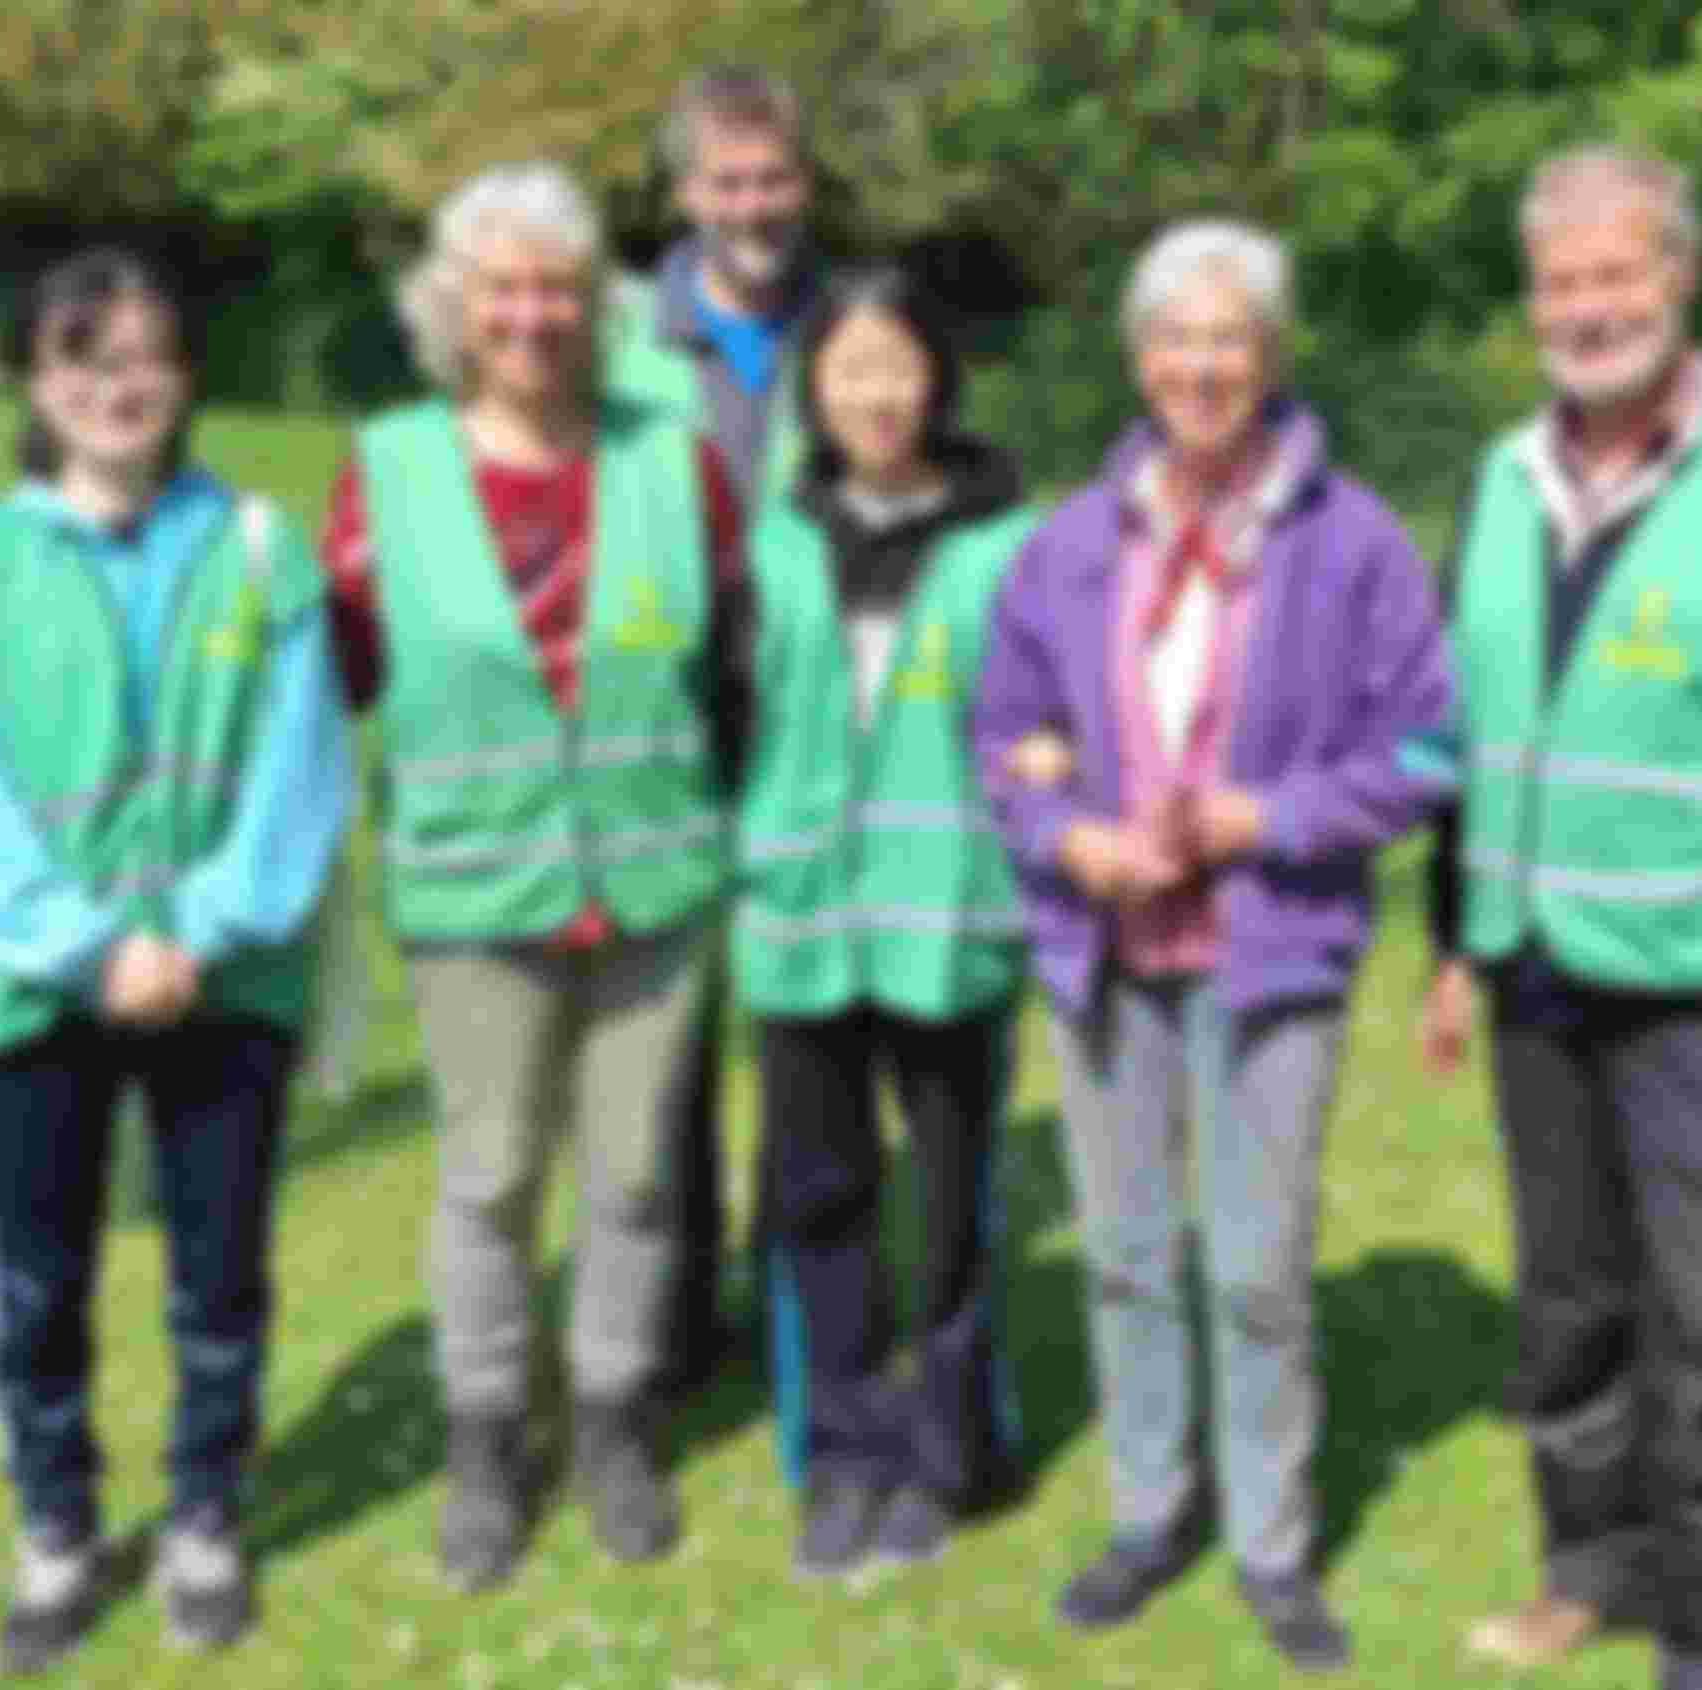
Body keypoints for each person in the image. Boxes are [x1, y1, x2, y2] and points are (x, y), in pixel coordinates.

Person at [1416, 143, 1702, 1690]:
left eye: (1617, 273)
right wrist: (1451, 937)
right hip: (1535, 970)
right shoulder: (1500, 480)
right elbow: (1469, 727)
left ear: (1678, 278)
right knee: (1567, 1304)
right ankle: (1589, 1569)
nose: (1588, 307)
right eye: (1559, 281)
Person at [971, 219, 1456, 1674]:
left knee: (1256, 1266)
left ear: (1272, 355)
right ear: (1138, 362)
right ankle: (1148, 1512)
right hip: (1105, 953)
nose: (1201, 366)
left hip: (1271, 951)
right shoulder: (1070, 541)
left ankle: (1270, 1542)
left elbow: (1428, 748)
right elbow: (1000, 733)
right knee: (1127, 1258)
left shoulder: (1355, 542)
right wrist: (1069, 839)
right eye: (1175, 339)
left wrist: (1265, 817)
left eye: (1228, 337)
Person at [0, 246, 352, 1671]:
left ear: (188, 375)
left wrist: (203, 930)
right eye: (84, 357)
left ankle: (204, 1516)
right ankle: (57, 1528)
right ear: (33, 381)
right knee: (39, 1286)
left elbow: (302, 772)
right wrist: (91, 949)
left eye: (148, 354)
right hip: (36, 991)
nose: (120, 384)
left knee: (219, 1277)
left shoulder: (261, 552)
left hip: (230, 978)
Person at [317, 160, 755, 1594]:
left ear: (596, 305)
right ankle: (487, 1440)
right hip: (476, 892)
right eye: (500, 288)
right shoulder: (386, 471)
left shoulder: (674, 461)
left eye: (558, 287)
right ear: (453, 307)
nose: (531, 314)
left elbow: (736, 656)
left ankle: (618, 1420)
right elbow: (331, 673)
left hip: (651, 883)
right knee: (493, 1177)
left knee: (636, 1177)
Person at [731, 266, 1039, 1577]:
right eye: (848, 367)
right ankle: (846, 1452)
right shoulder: (768, 542)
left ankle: (953, 1453)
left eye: (898, 365)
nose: (875, 394)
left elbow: (1056, 711)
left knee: (956, 1204)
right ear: (813, 386)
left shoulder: (1011, 542)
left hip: (950, 917)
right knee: (819, 1195)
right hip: (801, 919)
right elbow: (718, 712)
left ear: (940, 378)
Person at [608, 64, 833, 1401]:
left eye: (774, 178)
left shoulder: (854, 322)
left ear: (804, 184)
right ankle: (678, 1312)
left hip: (811, 718)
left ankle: (799, 1283)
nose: (754, 205)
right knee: (668, 1027)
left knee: (802, 1011)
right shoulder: (626, 342)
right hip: (669, 722)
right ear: (686, 193)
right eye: (727, 182)